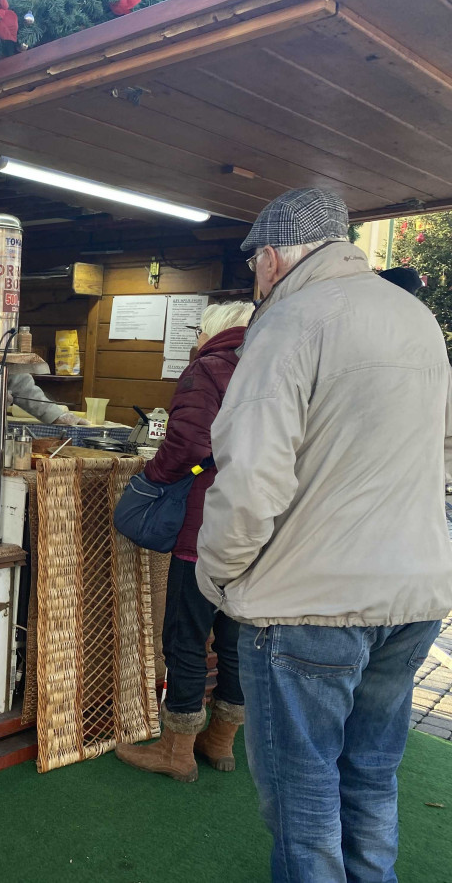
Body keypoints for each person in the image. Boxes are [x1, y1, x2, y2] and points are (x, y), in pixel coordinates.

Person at [196, 188, 452, 882]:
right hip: (416, 595)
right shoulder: (415, 316)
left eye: (254, 263)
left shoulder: (289, 320)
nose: (255, 277)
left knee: (303, 788)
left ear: (272, 258)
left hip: (308, 601)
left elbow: (251, 479)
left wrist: (217, 574)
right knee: (372, 771)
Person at [116, 300, 255, 783]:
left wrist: (154, 477)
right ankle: (220, 742)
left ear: (212, 330)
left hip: (205, 525)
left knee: (185, 639)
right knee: (235, 641)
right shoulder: (272, 365)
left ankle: (176, 752)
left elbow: (189, 445)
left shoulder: (209, 368)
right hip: (257, 528)